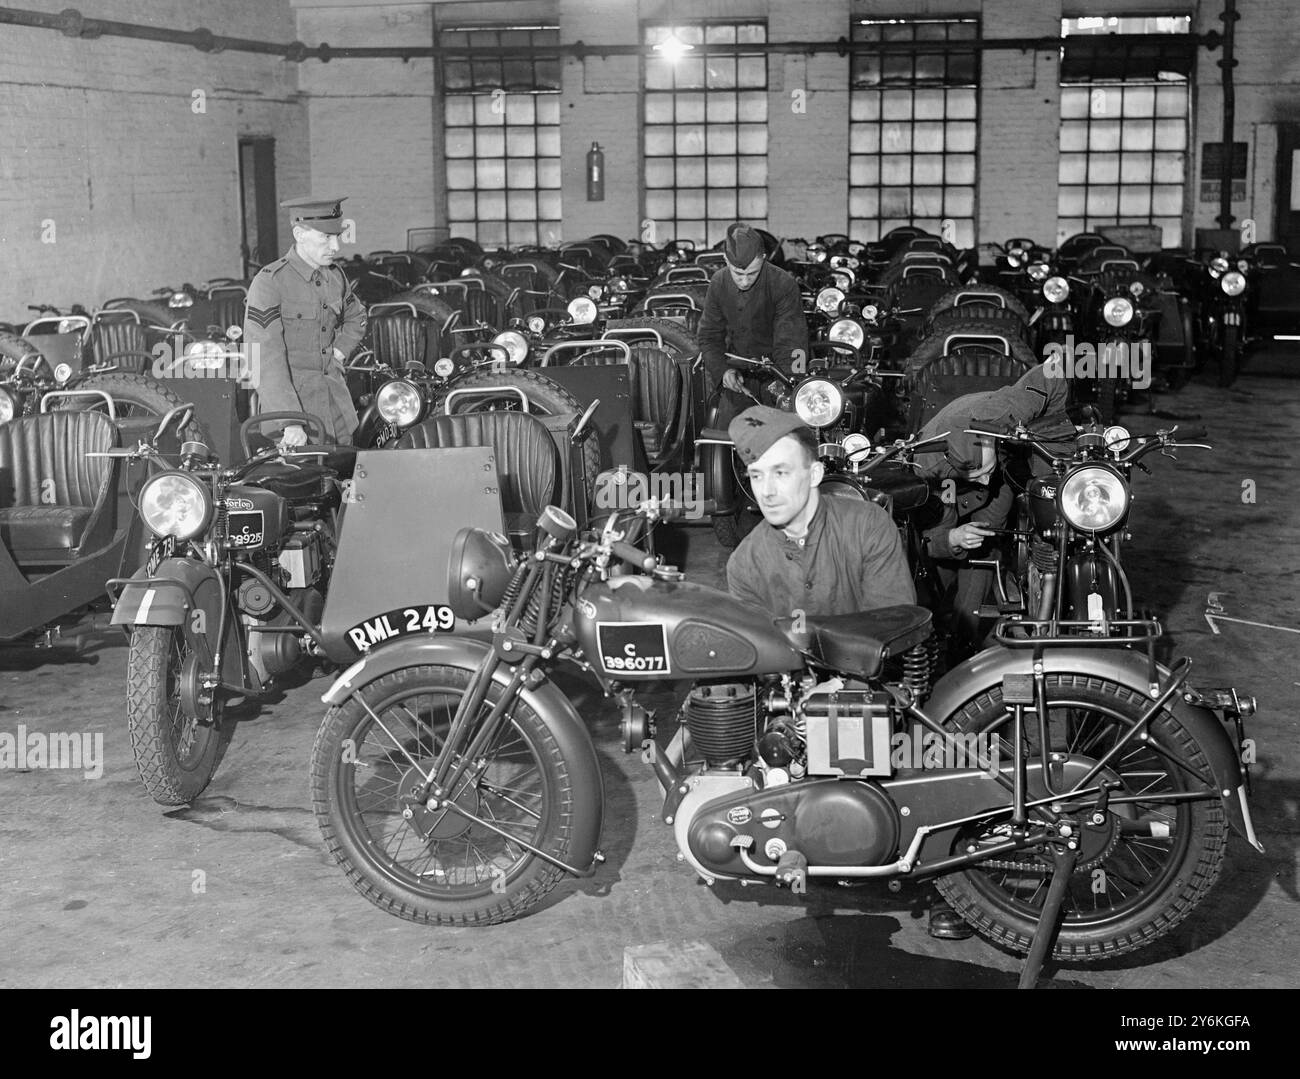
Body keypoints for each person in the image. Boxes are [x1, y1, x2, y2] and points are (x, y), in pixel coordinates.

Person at [722, 405, 982, 938]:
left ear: (815, 473)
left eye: (781, 471)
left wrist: (843, 682)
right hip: (800, 703)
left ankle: (949, 881)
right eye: (756, 476)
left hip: (884, 684)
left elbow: (892, 624)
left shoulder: (866, 525)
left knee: (938, 766)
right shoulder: (745, 564)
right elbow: (757, 662)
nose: (767, 490)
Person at [913, 364, 1074, 658]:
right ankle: (955, 639)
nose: (984, 479)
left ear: (988, 440)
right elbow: (926, 534)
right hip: (948, 490)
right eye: (976, 475)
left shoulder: (1009, 409)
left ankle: (967, 632)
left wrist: (1049, 452)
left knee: (988, 538)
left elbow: (1053, 372)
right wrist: (952, 538)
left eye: (984, 470)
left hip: (1004, 454)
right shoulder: (929, 466)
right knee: (947, 556)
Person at [243, 195, 367, 447]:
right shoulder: (270, 282)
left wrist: (339, 353)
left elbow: (357, 318)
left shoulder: (335, 276)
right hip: (296, 421)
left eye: (337, 237)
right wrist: (290, 421)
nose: (335, 246)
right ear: (299, 234)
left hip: (339, 412)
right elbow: (263, 358)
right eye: (325, 237)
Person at [697, 224, 808, 423]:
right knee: (726, 436)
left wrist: (790, 386)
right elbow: (708, 336)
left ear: (763, 259)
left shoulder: (783, 283)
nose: (745, 281)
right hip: (738, 377)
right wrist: (723, 372)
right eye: (738, 274)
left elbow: (793, 342)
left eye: (752, 273)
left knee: (783, 435)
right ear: (725, 260)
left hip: (779, 373)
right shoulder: (718, 283)